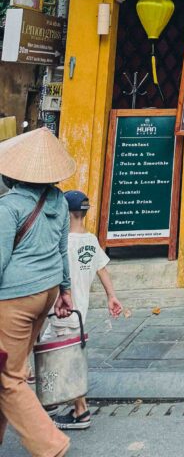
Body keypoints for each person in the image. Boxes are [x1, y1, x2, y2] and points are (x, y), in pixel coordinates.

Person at [0, 128, 76, 457]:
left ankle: (52, 446)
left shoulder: (9, 206)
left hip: (15, 298)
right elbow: (62, 250)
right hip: (45, 292)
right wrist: (65, 290)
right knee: (10, 369)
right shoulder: (58, 200)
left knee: (8, 378)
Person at [42, 190, 123, 431]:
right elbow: (102, 269)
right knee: (48, 350)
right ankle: (50, 400)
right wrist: (112, 296)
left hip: (64, 311)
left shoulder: (62, 242)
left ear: (64, 213)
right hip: (78, 312)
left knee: (67, 359)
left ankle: (81, 410)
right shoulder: (90, 240)